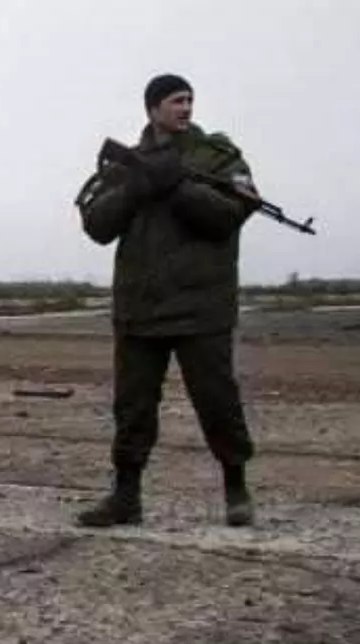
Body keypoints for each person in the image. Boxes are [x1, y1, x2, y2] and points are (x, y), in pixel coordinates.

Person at [74, 73, 260, 527]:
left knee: (217, 401)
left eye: (190, 100)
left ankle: (237, 490)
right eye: (176, 100)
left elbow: (228, 216)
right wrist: (140, 186)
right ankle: (126, 496)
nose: (186, 108)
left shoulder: (216, 156)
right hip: (140, 309)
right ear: (153, 108)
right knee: (133, 408)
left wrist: (177, 186)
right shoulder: (127, 163)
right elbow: (97, 224)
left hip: (202, 307)